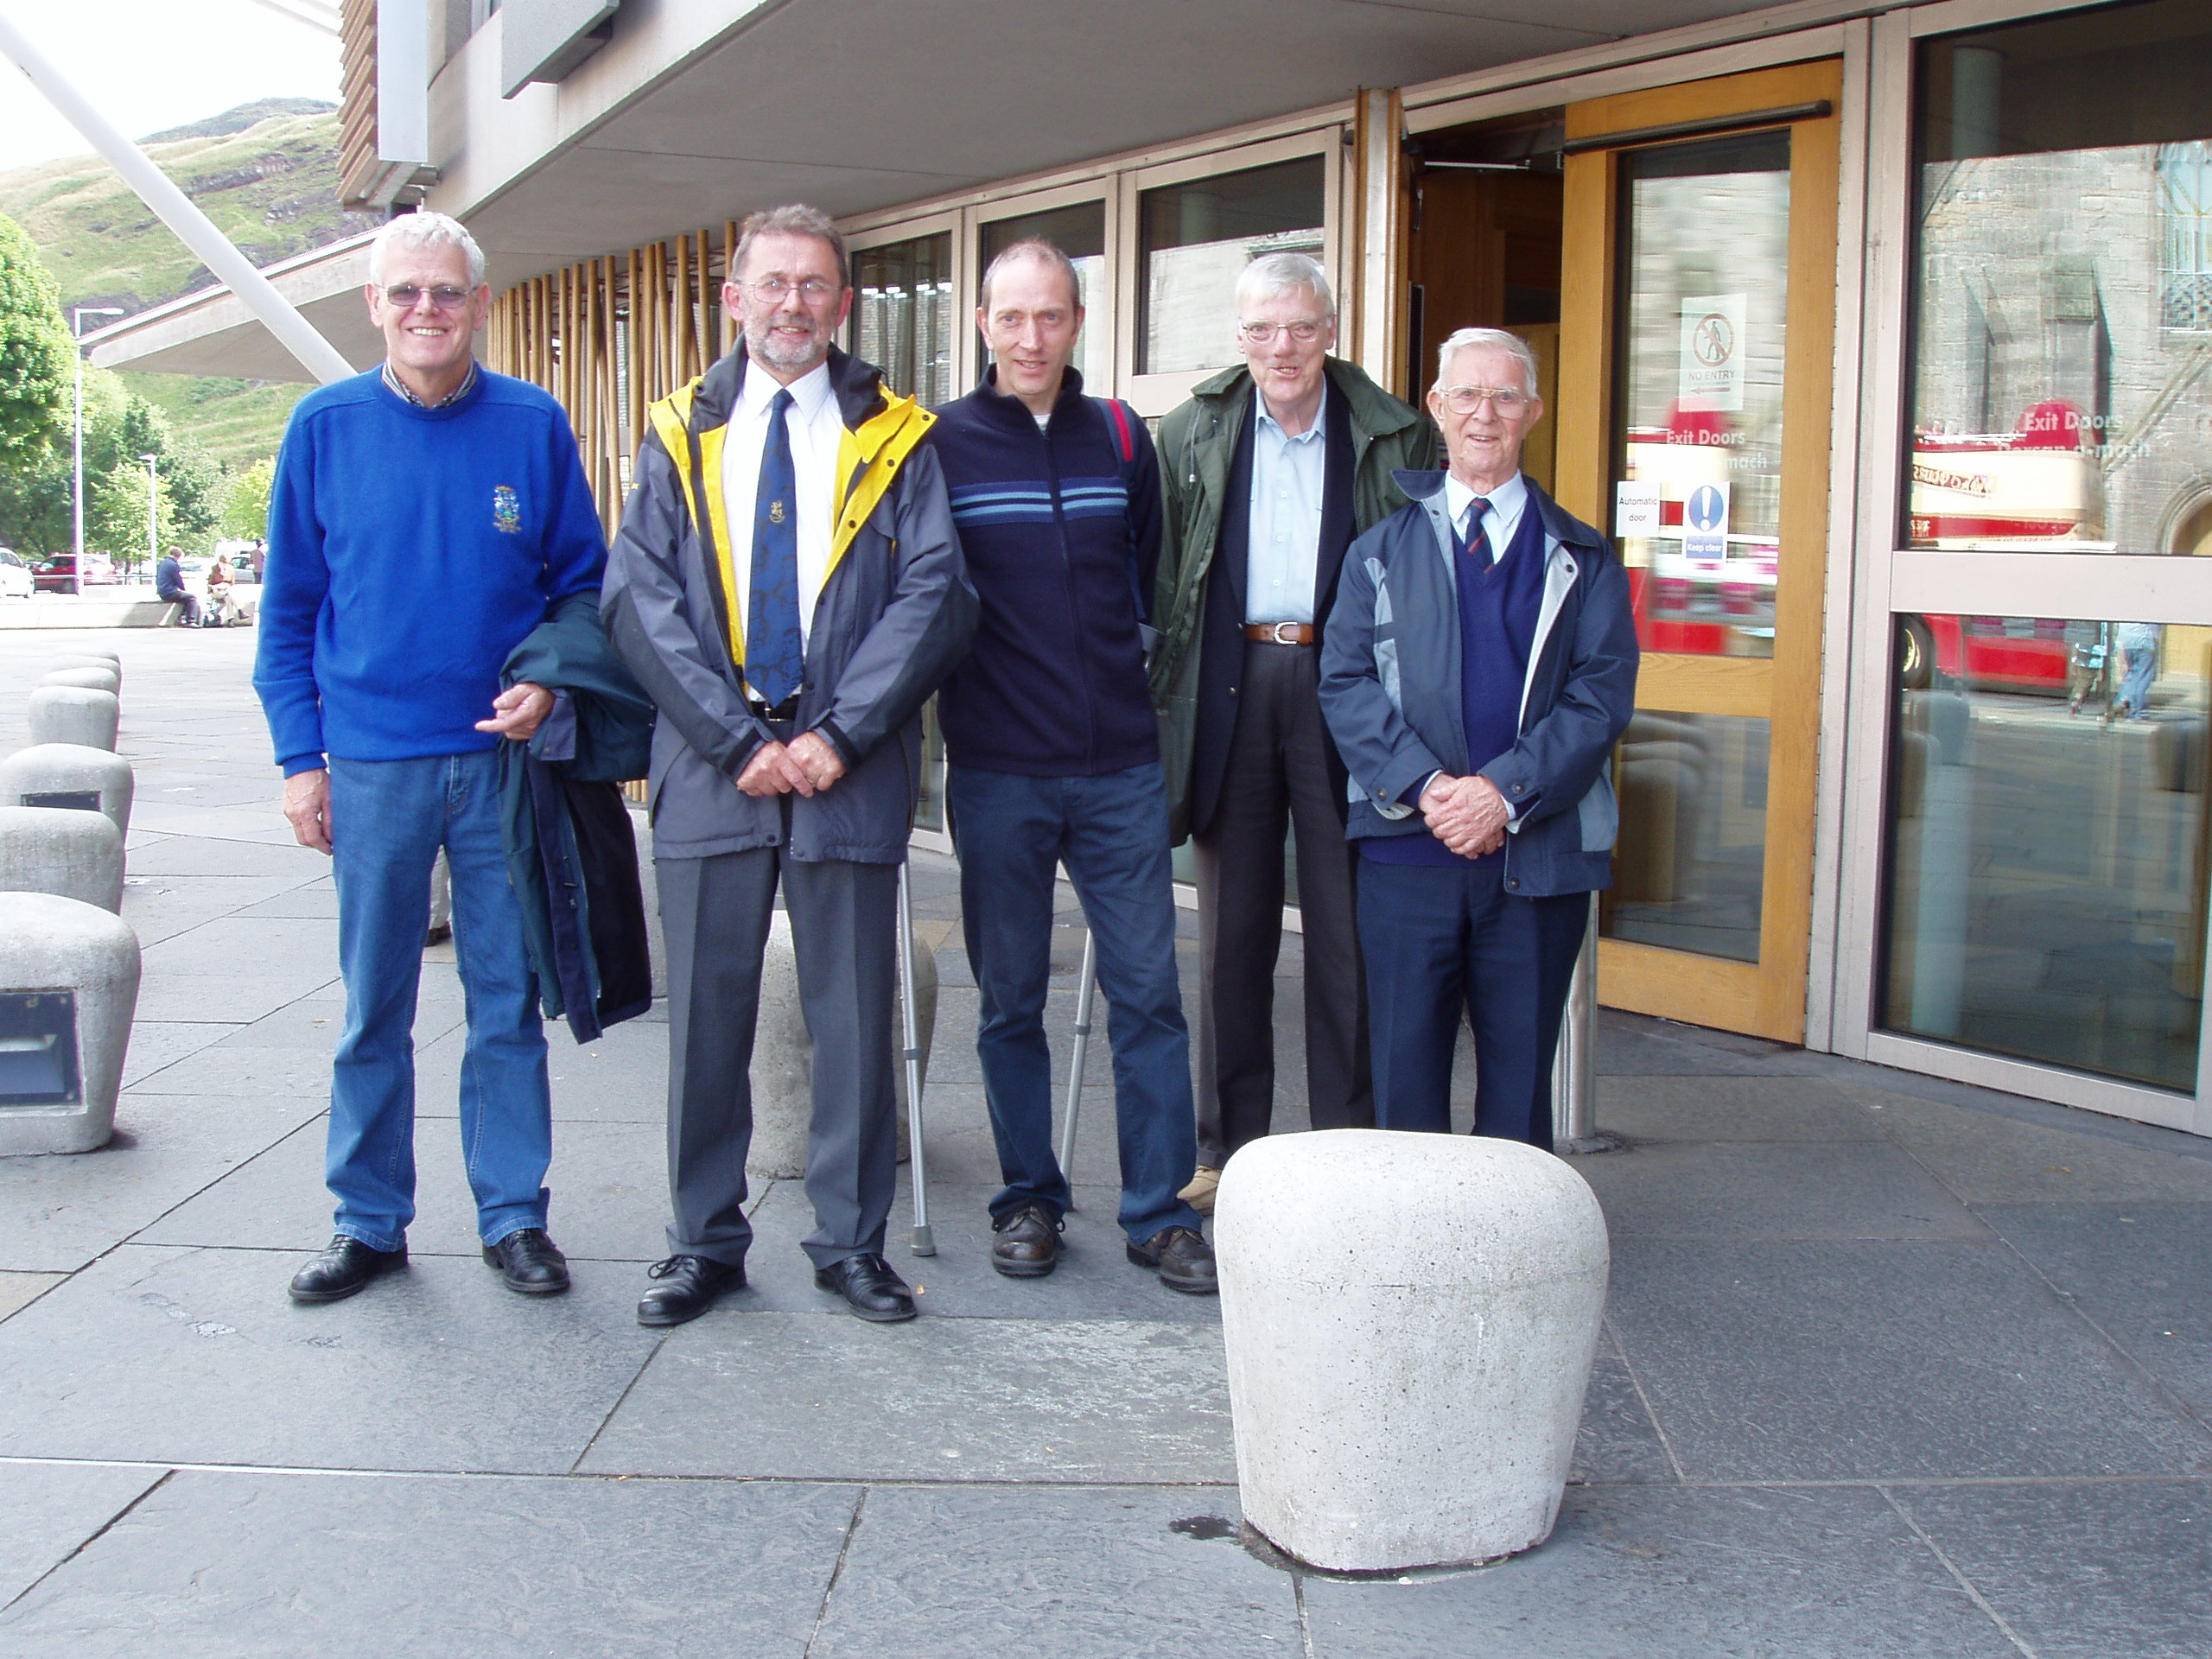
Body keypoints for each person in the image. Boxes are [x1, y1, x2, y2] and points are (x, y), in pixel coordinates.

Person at [601, 204, 975, 1327]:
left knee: (856, 1018)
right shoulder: (677, 432)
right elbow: (639, 600)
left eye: (815, 286)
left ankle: (851, 1244)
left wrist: (836, 734)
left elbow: (936, 595)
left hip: (844, 767)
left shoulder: (900, 435)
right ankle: (703, 1242)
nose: (793, 305)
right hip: (714, 767)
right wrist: (735, 740)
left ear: (844, 304)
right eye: (773, 284)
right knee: (709, 1014)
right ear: (735, 298)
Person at [254, 211, 607, 1305]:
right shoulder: (323, 428)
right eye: (405, 293)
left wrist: (549, 678)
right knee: (375, 1004)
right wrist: (298, 760)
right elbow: (288, 612)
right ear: (373, 305)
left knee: (506, 999)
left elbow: (582, 585)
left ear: (479, 304)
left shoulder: (532, 425)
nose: (425, 311)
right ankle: (368, 1220)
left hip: (500, 765)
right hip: (371, 762)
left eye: (445, 293)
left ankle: (512, 1216)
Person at [929, 238, 1214, 1294]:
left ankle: (1155, 1213)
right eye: (1011, 317)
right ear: (982, 324)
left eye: (1049, 316)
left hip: (1117, 772)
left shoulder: (1117, 435)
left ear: (1078, 321)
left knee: (1148, 994)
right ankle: (1027, 1200)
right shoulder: (943, 444)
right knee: (1008, 999)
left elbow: (1149, 582)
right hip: (998, 768)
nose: (1030, 336)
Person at [1150, 253, 1433, 1213]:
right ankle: (1225, 1150)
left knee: (1347, 929)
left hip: (1342, 688)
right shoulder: (1191, 431)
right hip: (1231, 685)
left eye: (1301, 328)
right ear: (1239, 337)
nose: (1283, 348)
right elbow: (1161, 580)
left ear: (1330, 330)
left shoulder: (1392, 432)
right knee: (1230, 933)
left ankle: (1346, 1143)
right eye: (1264, 330)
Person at [1318, 327, 1637, 1145]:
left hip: (1536, 859)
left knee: (1520, 1088)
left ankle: (1513, 1263)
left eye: (1502, 396)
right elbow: (1345, 682)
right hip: (1405, 854)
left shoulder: (1584, 556)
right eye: (1466, 394)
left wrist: (1502, 794)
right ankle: (1413, 1260)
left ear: (1532, 411)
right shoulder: (1377, 553)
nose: (1483, 414)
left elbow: (1599, 697)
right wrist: (1431, 791)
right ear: (1437, 408)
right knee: (1405, 1083)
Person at [155, 546, 202, 628]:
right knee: (191, 598)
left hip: (162, 592)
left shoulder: (162, 563)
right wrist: (184, 589)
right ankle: (191, 620)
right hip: (169, 592)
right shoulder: (173, 565)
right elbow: (178, 580)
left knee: (184, 598)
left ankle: (180, 618)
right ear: (178, 556)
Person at [206, 552, 238, 626]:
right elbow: (209, 584)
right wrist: (215, 587)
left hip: (226, 591)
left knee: (228, 598)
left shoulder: (231, 569)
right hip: (216, 592)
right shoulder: (214, 568)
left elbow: (232, 583)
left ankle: (230, 619)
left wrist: (225, 586)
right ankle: (238, 611)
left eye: (226, 563)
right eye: (223, 563)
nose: (224, 565)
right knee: (229, 595)